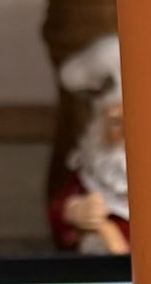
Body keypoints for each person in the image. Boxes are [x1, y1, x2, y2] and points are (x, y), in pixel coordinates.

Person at [50, 34, 129, 254]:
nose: (126, 136)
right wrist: (74, 211)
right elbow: (59, 209)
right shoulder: (93, 176)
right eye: (116, 124)